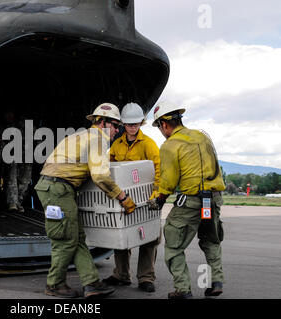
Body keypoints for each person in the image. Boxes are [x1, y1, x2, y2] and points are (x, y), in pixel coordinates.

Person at [34, 103, 136, 299]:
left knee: (76, 238)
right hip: (58, 189)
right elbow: (100, 176)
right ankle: (54, 284)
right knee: (65, 239)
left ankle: (92, 283)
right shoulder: (98, 139)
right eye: (116, 126)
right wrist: (123, 198)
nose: (117, 131)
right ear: (104, 123)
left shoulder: (80, 136)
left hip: (56, 187)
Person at [147, 101, 226, 299]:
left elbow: (168, 181)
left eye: (159, 127)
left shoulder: (169, 145)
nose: (161, 131)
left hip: (190, 202)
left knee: (174, 246)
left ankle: (183, 289)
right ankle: (216, 281)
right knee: (211, 240)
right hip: (212, 200)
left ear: (164, 124)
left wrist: (158, 200)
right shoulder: (202, 136)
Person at [103, 102, 161, 293]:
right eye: (129, 124)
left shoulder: (149, 144)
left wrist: (156, 196)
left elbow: (159, 171)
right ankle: (121, 274)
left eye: (135, 123)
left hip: (147, 199)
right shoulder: (117, 145)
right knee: (121, 234)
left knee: (149, 239)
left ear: (141, 123)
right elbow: (107, 168)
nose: (132, 127)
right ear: (123, 125)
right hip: (125, 199)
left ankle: (146, 277)